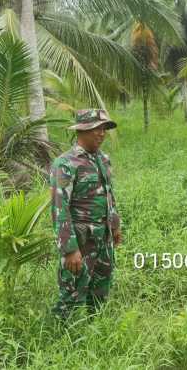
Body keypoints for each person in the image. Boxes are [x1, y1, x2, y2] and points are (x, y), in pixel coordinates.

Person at [50, 109, 122, 318]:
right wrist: (69, 249)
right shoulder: (65, 164)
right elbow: (59, 208)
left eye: (103, 129)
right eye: (95, 129)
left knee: (101, 291)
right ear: (81, 131)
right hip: (81, 240)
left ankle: (95, 330)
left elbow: (109, 194)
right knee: (70, 295)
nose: (101, 134)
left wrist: (115, 225)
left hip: (104, 238)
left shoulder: (103, 159)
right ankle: (60, 338)